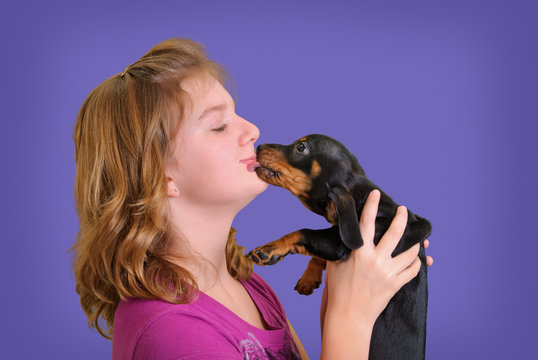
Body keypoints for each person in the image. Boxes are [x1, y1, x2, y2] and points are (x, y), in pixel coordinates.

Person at [71, 38, 433, 360]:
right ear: (160, 176)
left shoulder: (244, 283)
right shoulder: (172, 336)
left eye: (235, 113)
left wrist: (352, 290)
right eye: (218, 125)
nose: (252, 130)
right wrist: (350, 319)